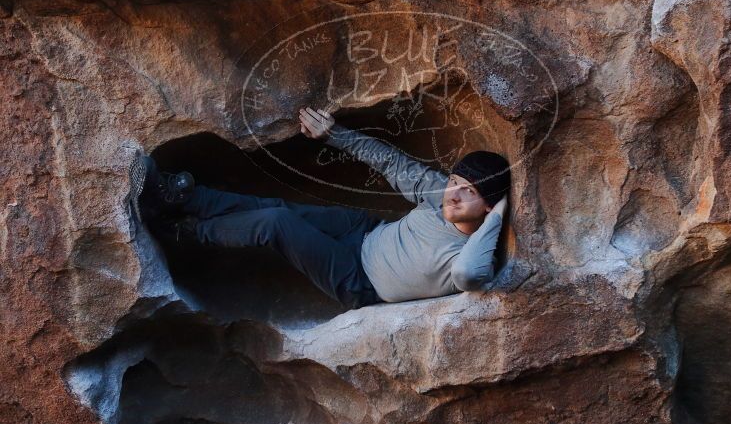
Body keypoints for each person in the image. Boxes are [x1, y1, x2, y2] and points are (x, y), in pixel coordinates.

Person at [137, 107, 511, 310]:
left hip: (360, 281)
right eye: (455, 182)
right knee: (278, 207)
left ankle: (183, 232)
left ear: (489, 208)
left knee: (276, 223)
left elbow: (466, 276)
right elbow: (392, 164)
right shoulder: (441, 194)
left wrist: (495, 217)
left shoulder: (471, 255)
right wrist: (334, 133)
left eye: (469, 193)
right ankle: (184, 199)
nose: (454, 195)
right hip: (364, 231)